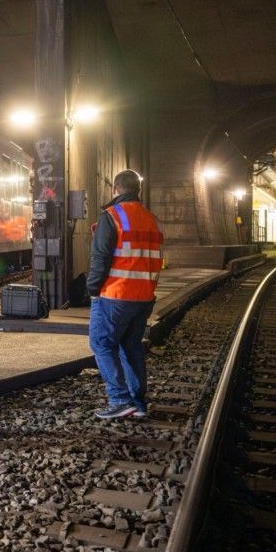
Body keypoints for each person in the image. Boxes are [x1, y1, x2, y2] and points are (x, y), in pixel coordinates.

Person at [87, 169, 164, 420]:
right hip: (144, 297)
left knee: (101, 343)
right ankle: (138, 404)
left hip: (116, 294)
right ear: (137, 191)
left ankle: (119, 400)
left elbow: (100, 257)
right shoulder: (151, 218)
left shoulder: (112, 216)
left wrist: (92, 289)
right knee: (131, 347)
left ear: (115, 189)